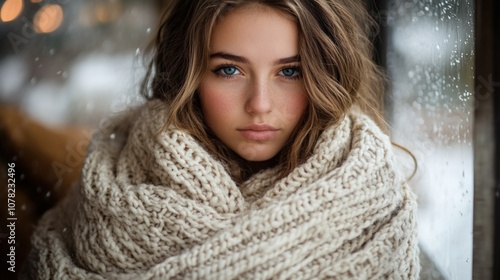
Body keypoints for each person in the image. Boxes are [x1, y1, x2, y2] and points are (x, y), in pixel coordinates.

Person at [22, 0, 420, 278]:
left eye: (290, 72)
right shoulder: (111, 189)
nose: (260, 105)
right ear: (190, 77)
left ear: (325, 76)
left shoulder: (372, 198)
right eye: (229, 70)